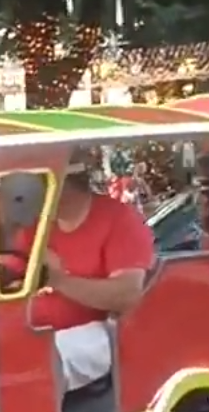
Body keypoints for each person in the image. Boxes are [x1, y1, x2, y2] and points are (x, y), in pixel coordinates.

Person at [23, 149, 151, 391]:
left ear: (60, 181)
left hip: (99, 333)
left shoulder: (119, 218)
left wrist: (57, 280)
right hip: (32, 329)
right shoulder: (35, 225)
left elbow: (127, 294)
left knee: (39, 362)